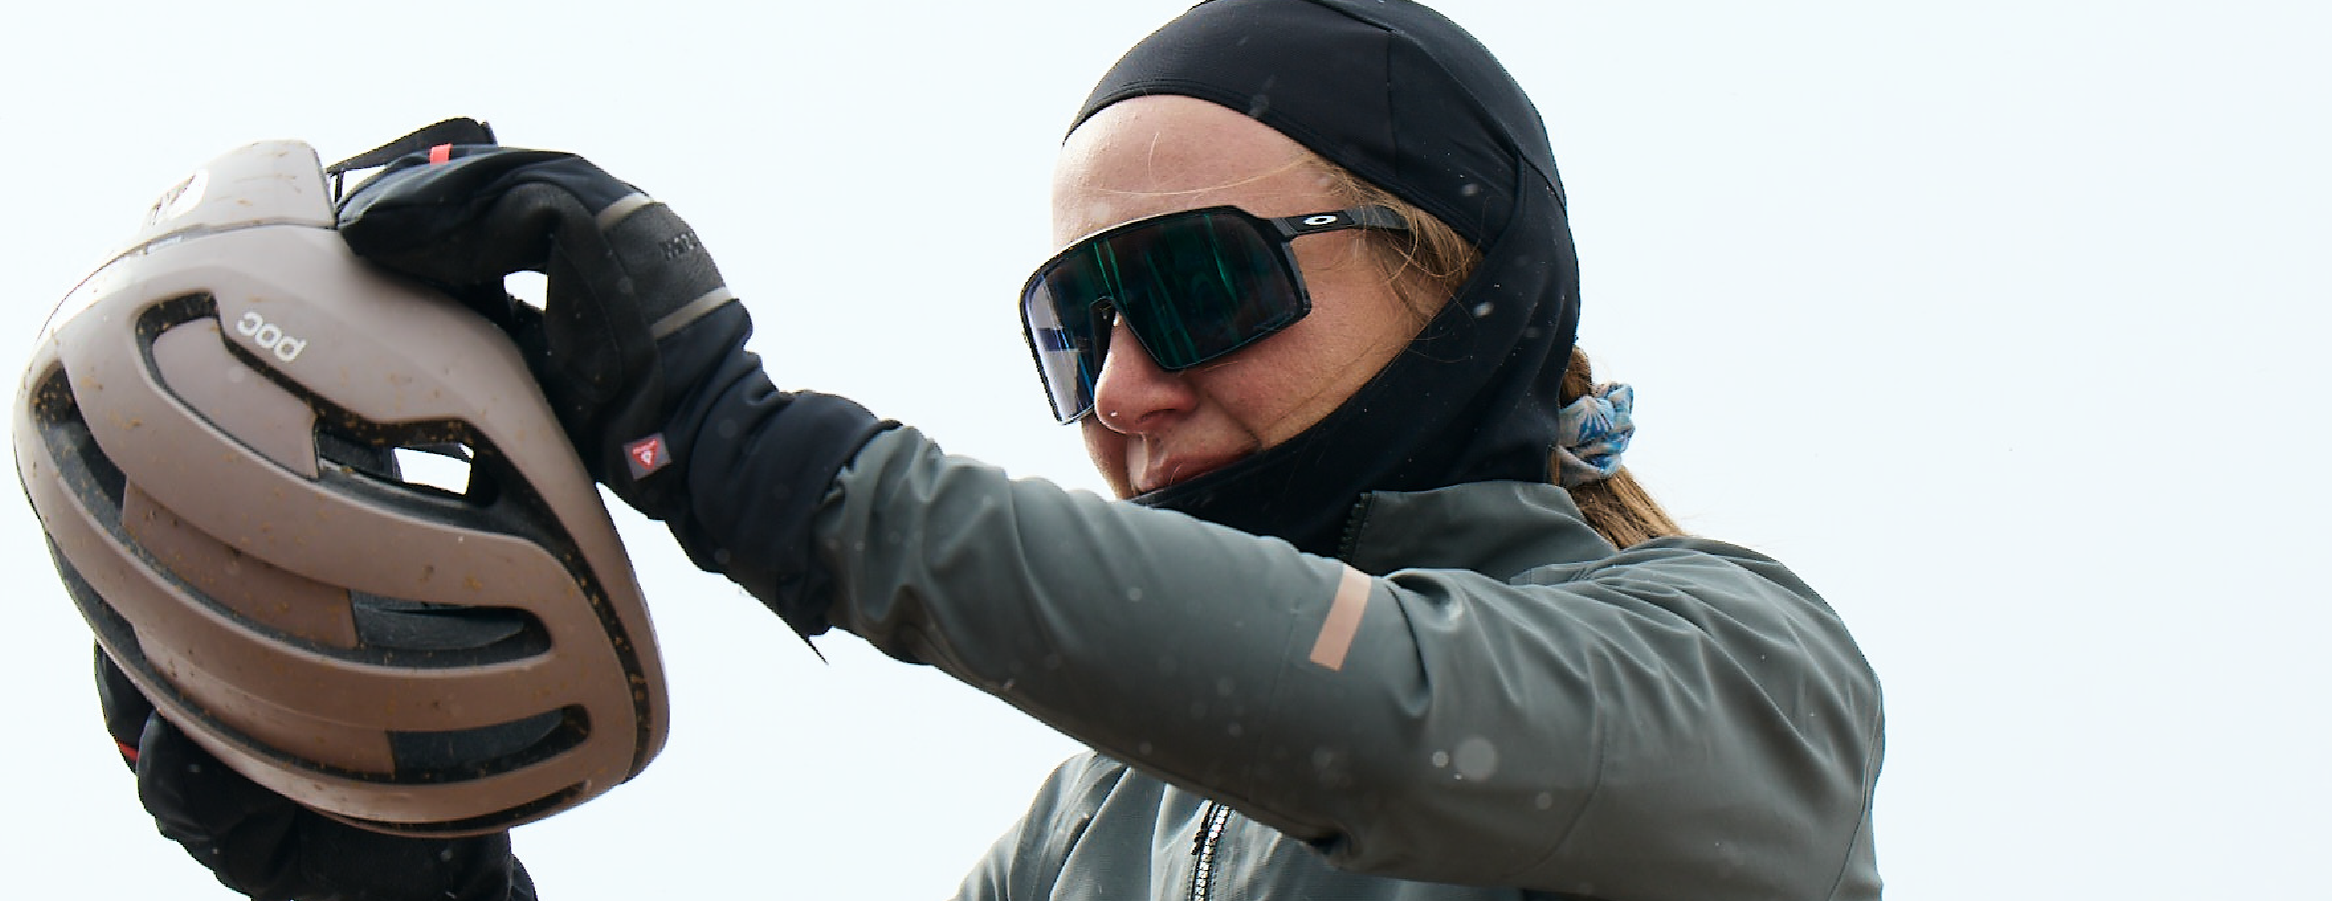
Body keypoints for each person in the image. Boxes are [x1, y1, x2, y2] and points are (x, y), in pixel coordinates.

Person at [94, 1, 1885, 898]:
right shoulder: (1087, 838)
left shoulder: (1740, 674)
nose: (1118, 389)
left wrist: (769, 463)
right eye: (1069, 328)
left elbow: (1394, 709)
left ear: (1461, 280)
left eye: (1191, 288)